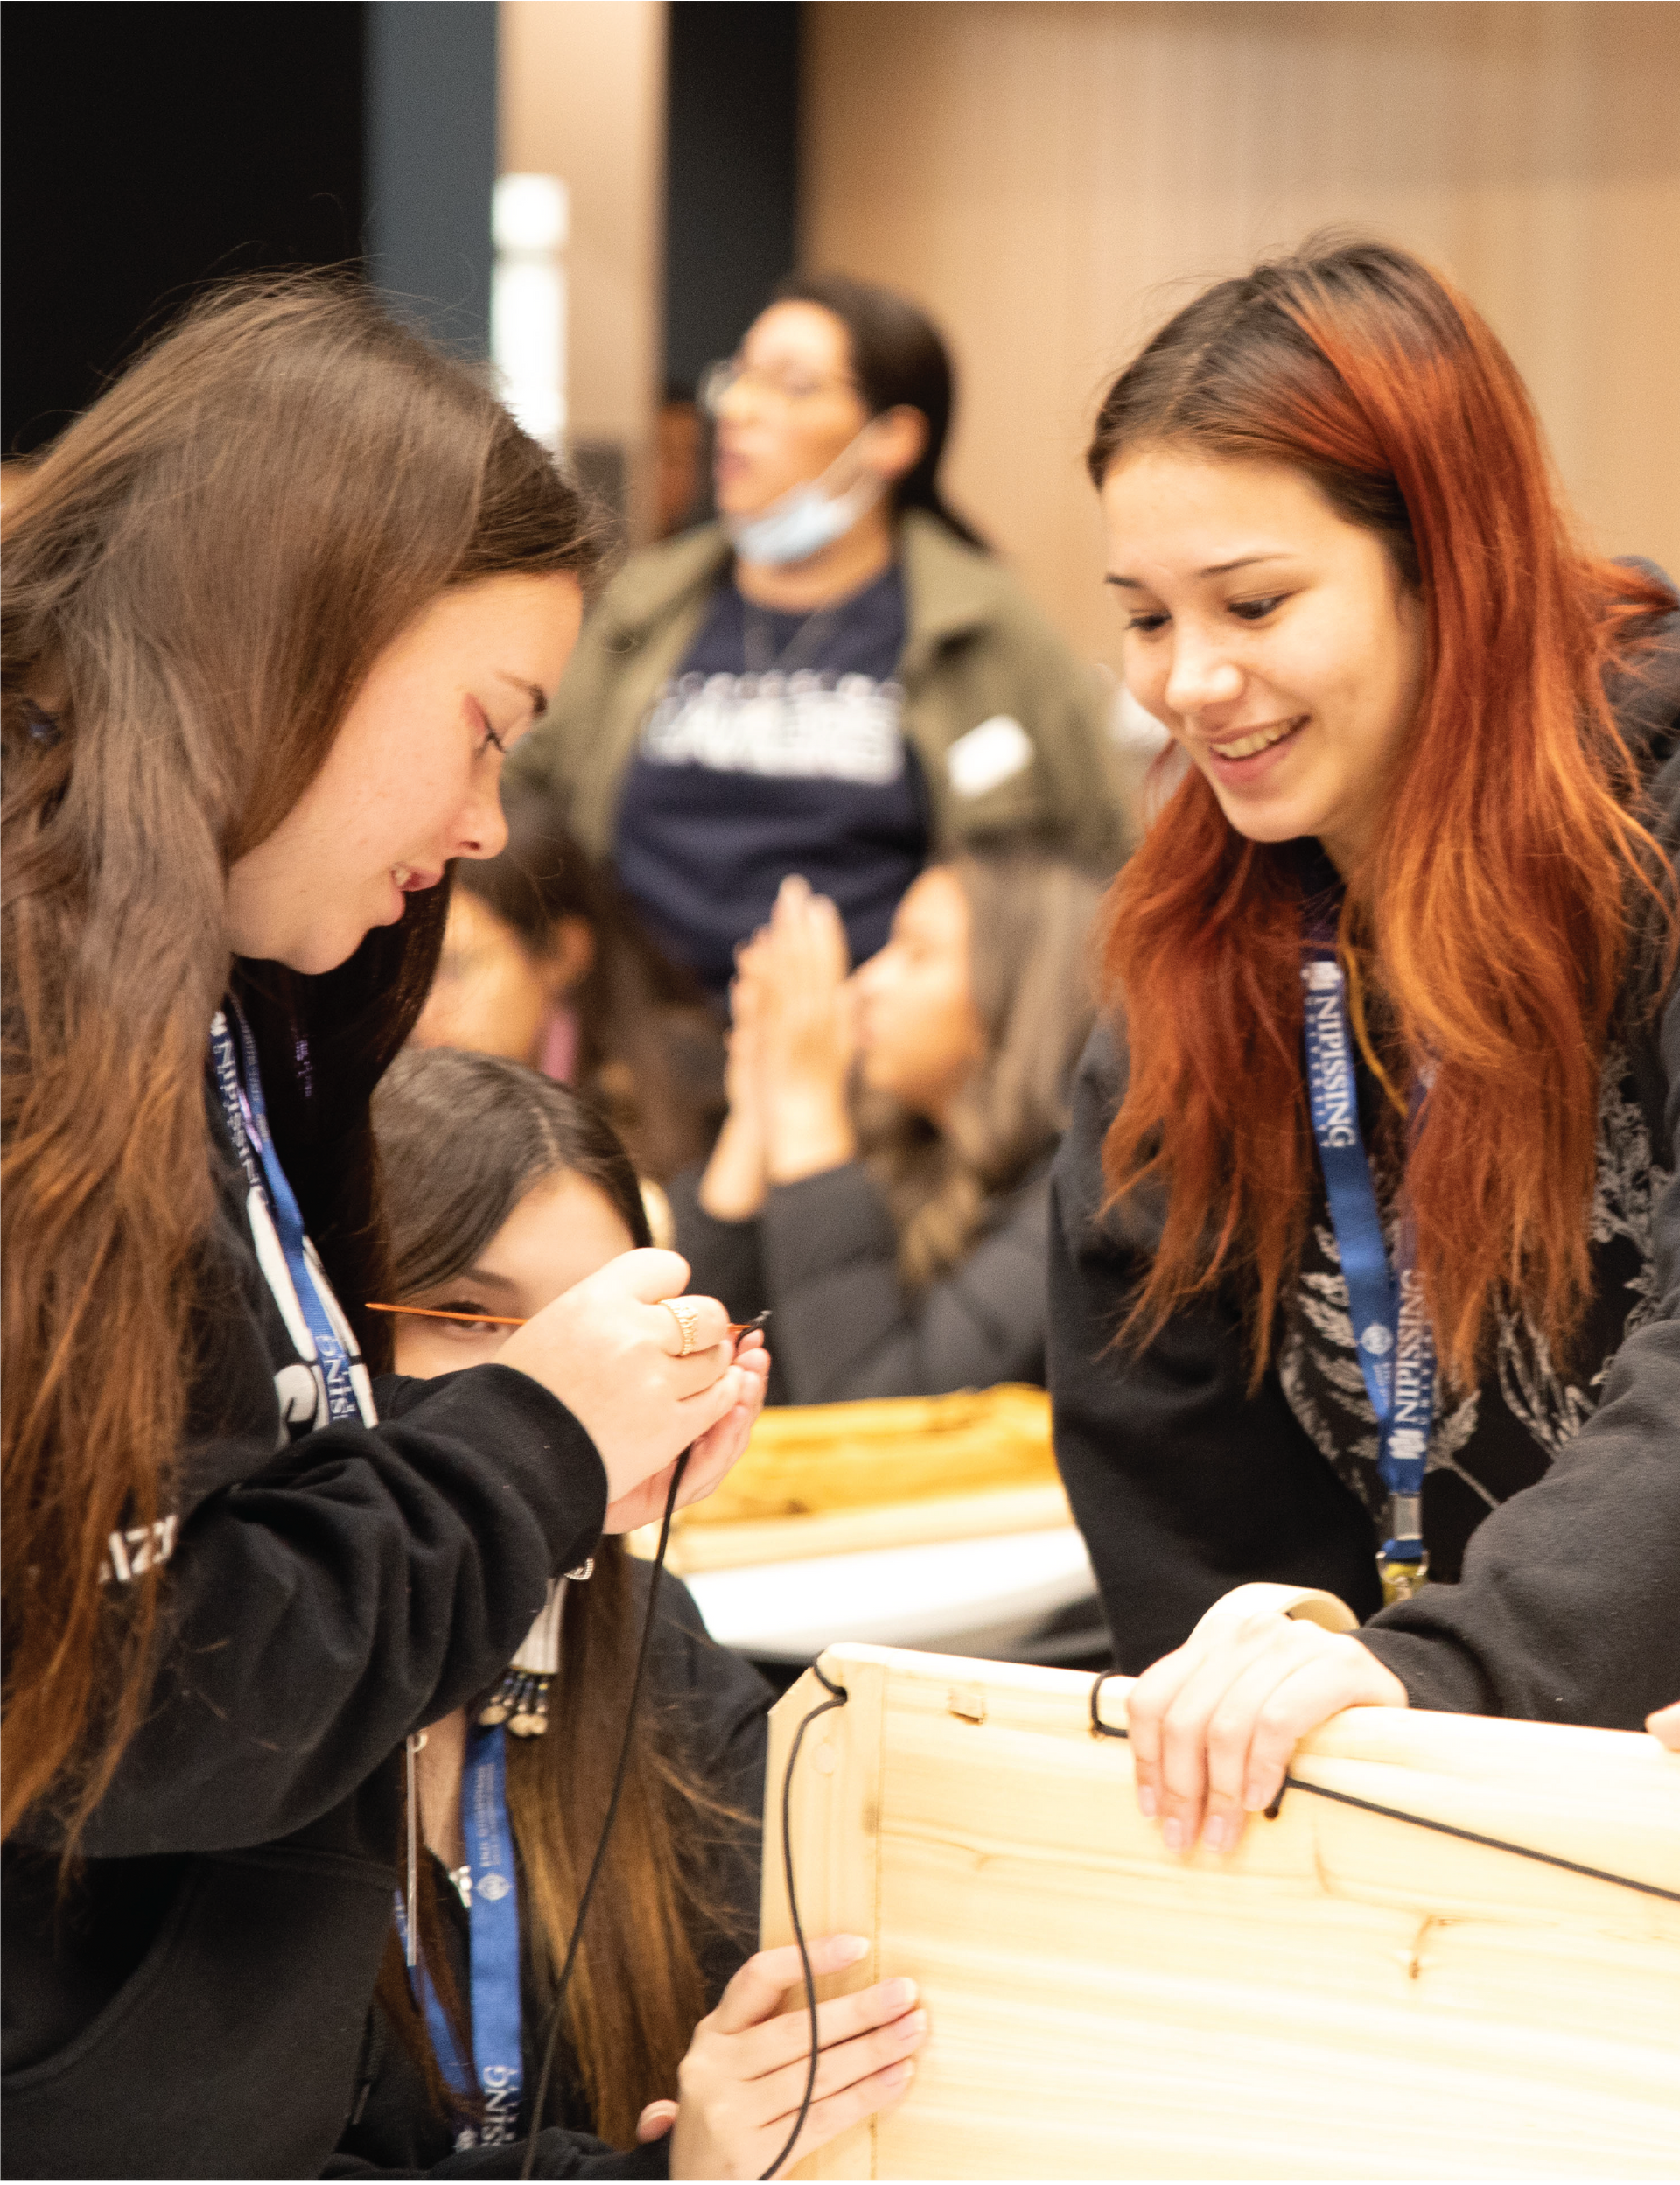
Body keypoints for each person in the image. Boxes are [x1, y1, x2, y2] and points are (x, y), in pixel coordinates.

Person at [0, 277, 920, 2181]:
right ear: (298, 636)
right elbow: (138, 1685)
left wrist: (545, 1469)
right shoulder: (46, 1037)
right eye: (484, 727)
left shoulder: (190, 1003)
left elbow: (212, 1552)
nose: (493, 821)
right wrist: (536, 1441)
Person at [1047, 237, 1680, 1861]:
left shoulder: (1653, 842)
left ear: (1443, 562)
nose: (1192, 682)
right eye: (1144, 616)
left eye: (1255, 603)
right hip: (1429, 1842)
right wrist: (1284, 1717)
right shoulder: (1206, 961)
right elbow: (1177, 1496)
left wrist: (1437, 1682)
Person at [338, 1047, 781, 2161]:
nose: (553, 1389)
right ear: (332, 1337)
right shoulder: (237, 1676)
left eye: (599, 1333)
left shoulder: (650, 1643)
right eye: (468, 1317)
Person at [515, 272, 1128, 1004]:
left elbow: (1095, 865)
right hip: (637, 1055)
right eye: (739, 376)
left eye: (793, 386)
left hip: (876, 1072)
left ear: (892, 438)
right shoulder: (641, 607)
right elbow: (528, 796)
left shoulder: (988, 629)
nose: (739, 408)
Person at [676, 851, 1102, 1403]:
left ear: (1027, 990)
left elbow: (875, 1417)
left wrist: (805, 1102)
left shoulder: (1094, 1191)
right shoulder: (903, 1151)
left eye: (916, 953)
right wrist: (757, 1114)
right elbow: (710, 1377)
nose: (866, 983)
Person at [410, 770, 724, 1182]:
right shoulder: (394, 1097)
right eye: (410, 973)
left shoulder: (682, 1089)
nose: (422, 1010)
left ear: (562, 954)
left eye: (454, 969)